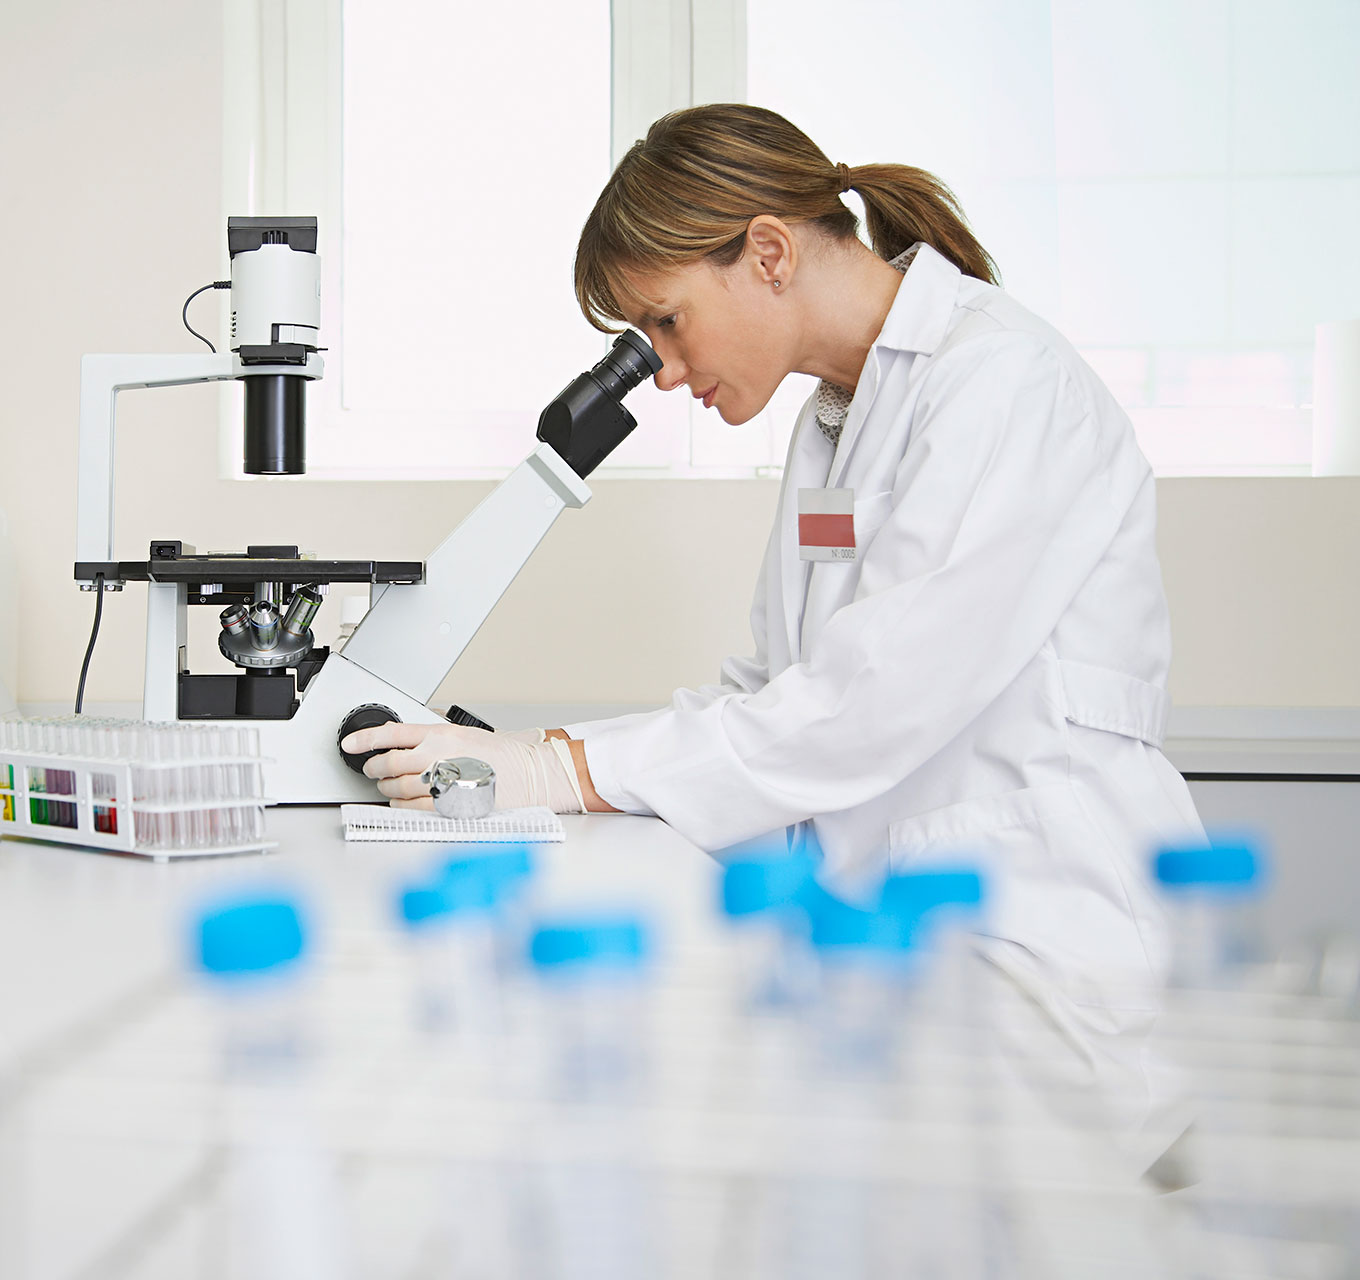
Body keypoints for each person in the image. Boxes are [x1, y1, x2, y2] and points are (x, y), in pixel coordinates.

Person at [342, 104, 1206, 1161]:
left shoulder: (1002, 383)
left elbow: (865, 706)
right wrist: (537, 769)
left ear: (767, 252)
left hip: (1038, 946)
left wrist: (554, 766)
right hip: (894, 947)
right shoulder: (834, 421)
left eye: (665, 322)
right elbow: (772, 692)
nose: (659, 369)